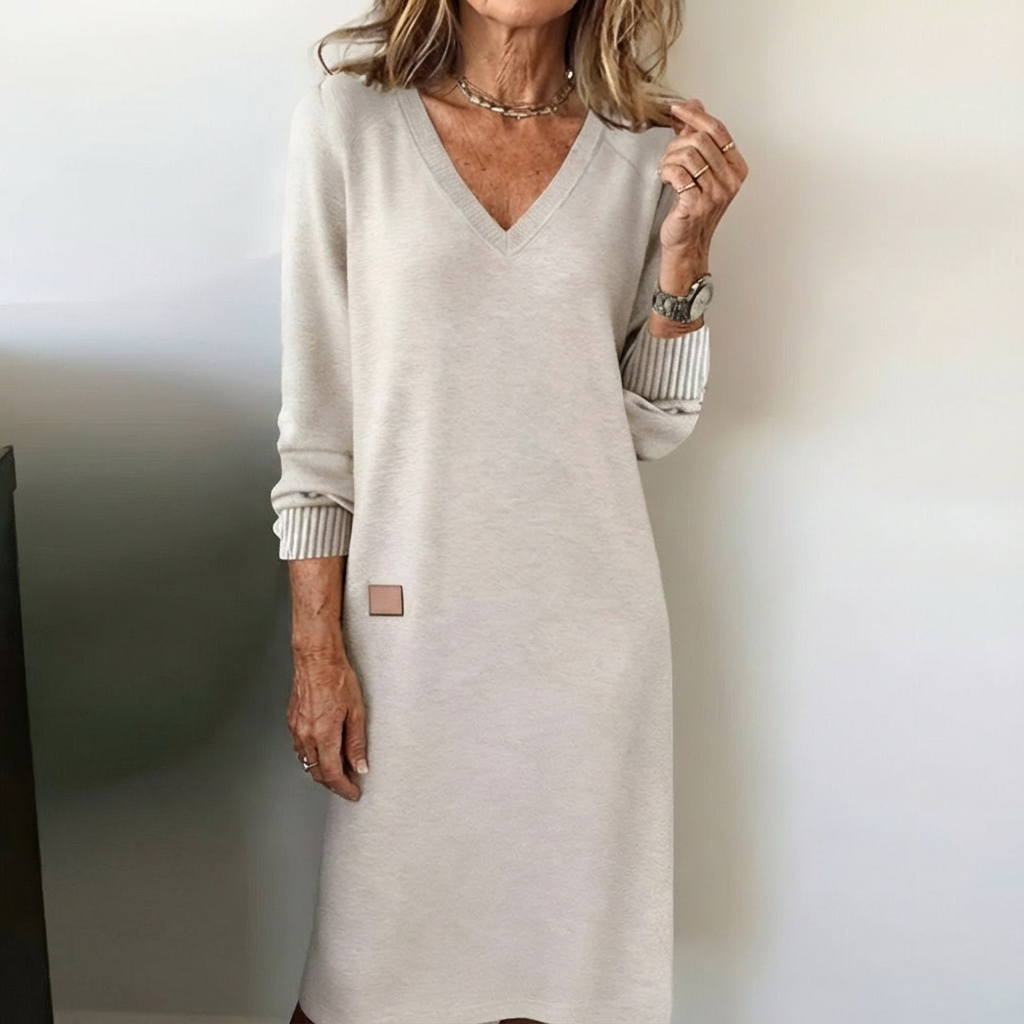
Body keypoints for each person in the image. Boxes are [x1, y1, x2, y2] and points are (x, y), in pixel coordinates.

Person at [269, 0, 747, 1016]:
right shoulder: (351, 123)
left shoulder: (645, 151)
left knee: (557, 983)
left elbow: (653, 424)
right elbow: (317, 427)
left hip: (588, 644)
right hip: (407, 636)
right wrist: (317, 644)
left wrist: (686, 258)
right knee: (369, 982)